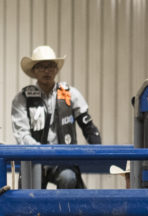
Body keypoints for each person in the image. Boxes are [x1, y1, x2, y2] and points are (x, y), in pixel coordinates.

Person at [11, 45, 102, 189]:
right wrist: (40, 151)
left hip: (63, 161)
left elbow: (88, 126)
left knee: (69, 179)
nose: (46, 71)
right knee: (29, 197)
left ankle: (65, 211)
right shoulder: (22, 99)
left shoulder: (70, 94)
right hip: (33, 161)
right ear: (34, 71)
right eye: (41, 67)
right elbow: (22, 135)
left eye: (50, 66)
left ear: (56, 69)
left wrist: (97, 148)